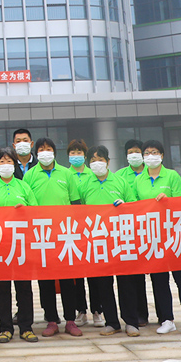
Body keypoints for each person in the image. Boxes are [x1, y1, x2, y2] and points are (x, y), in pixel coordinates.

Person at [133, 140, 181, 337]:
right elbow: (134, 205)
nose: (150, 156)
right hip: (152, 236)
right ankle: (167, 319)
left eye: (154, 152)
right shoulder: (139, 180)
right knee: (159, 280)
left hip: (172, 235)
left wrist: (167, 201)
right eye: (147, 153)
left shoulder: (171, 176)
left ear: (161, 155)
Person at [22, 137, 83, 338]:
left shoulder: (66, 173)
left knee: (67, 280)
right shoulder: (29, 175)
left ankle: (70, 320)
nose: (45, 152)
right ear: (36, 153)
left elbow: (75, 203)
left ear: (54, 152)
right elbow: (27, 206)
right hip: (41, 235)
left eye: (48, 149)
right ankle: (51, 320)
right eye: (41, 149)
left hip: (65, 233)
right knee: (45, 281)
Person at [77, 145, 140, 337]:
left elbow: (134, 207)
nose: (97, 163)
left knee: (126, 283)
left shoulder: (120, 182)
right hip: (98, 242)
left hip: (120, 240)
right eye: (93, 160)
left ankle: (131, 322)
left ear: (108, 162)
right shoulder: (84, 185)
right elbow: (80, 212)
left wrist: (125, 206)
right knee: (103, 284)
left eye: (100, 160)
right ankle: (112, 322)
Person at [0, 148, 39, 344]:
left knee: (24, 287)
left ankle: (26, 327)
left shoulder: (24, 186)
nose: (6, 165)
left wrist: (25, 210)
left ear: (15, 164)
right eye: (2, 162)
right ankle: (5, 328)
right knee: (2, 288)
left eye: (9, 161)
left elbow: (36, 212)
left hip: (21, 244)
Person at [115, 139, 150, 326]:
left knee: (142, 276)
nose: (133, 155)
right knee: (130, 275)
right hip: (127, 232)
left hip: (148, 229)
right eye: (130, 152)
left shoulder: (150, 172)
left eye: (137, 151)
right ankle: (131, 315)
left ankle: (144, 313)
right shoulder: (120, 176)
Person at [66, 139, 101, 329]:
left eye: (79, 152)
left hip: (91, 229)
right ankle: (81, 310)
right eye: (72, 152)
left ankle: (97, 310)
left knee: (94, 273)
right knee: (76, 275)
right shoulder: (65, 174)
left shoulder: (92, 174)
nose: (76, 156)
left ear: (85, 155)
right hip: (72, 230)